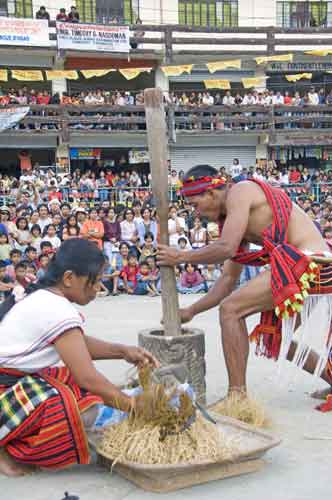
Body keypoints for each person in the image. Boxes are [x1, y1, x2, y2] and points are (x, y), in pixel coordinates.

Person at [157, 164, 332, 404]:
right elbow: (228, 280)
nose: (195, 212)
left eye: (195, 204)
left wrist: (181, 256)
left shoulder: (240, 191)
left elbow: (225, 248)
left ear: (211, 193)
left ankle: (237, 399)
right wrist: (191, 311)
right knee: (276, 337)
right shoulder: (233, 220)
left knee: (231, 310)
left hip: (310, 261)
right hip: (312, 265)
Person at [0, 239, 158, 476]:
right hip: (5, 388)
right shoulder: (55, 308)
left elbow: (75, 344)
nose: (98, 287)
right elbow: (87, 378)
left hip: (13, 379)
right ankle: (8, 449)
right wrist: (133, 406)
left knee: (85, 390)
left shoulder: (45, 296)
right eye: (94, 281)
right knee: (78, 407)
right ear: (69, 278)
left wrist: (122, 351)